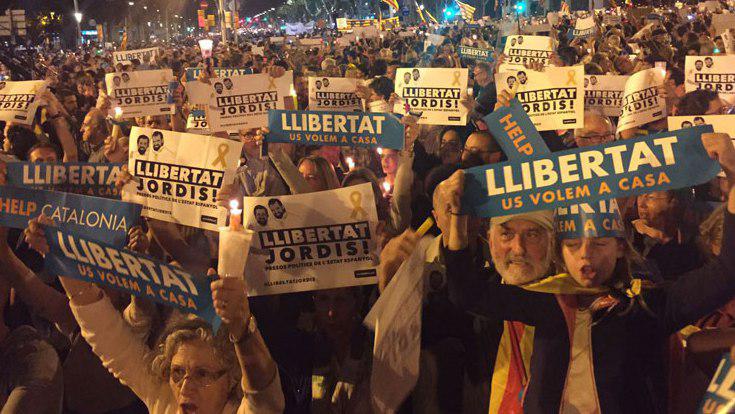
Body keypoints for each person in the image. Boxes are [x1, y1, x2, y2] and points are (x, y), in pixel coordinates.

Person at [438, 131, 735, 412]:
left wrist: (733, 177)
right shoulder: (548, 302)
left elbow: (727, 273)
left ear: (620, 247)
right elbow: (466, 293)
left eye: (599, 243)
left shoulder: (648, 305)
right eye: (573, 245)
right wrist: (457, 217)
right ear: (560, 251)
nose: (585, 255)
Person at [23, 216, 286, 414]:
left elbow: (264, 397)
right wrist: (58, 254)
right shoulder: (164, 399)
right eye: (177, 372)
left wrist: (242, 328)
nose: (185, 388)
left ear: (231, 380)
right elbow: (104, 332)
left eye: (202, 374)